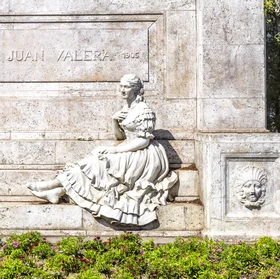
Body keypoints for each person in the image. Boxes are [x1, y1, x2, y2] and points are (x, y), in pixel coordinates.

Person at [27, 74, 178, 226]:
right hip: (128, 148)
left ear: (136, 90)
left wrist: (116, 151)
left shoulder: (144, 110)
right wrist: (114, 120)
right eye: (121, 86)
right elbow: (120, 136)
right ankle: (57, 190)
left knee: (99, 162)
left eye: (126, 87)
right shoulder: (126, 108)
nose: (122, 90)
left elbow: (144, 140)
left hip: (144, 155)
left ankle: (53, 185)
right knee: (96, 156)